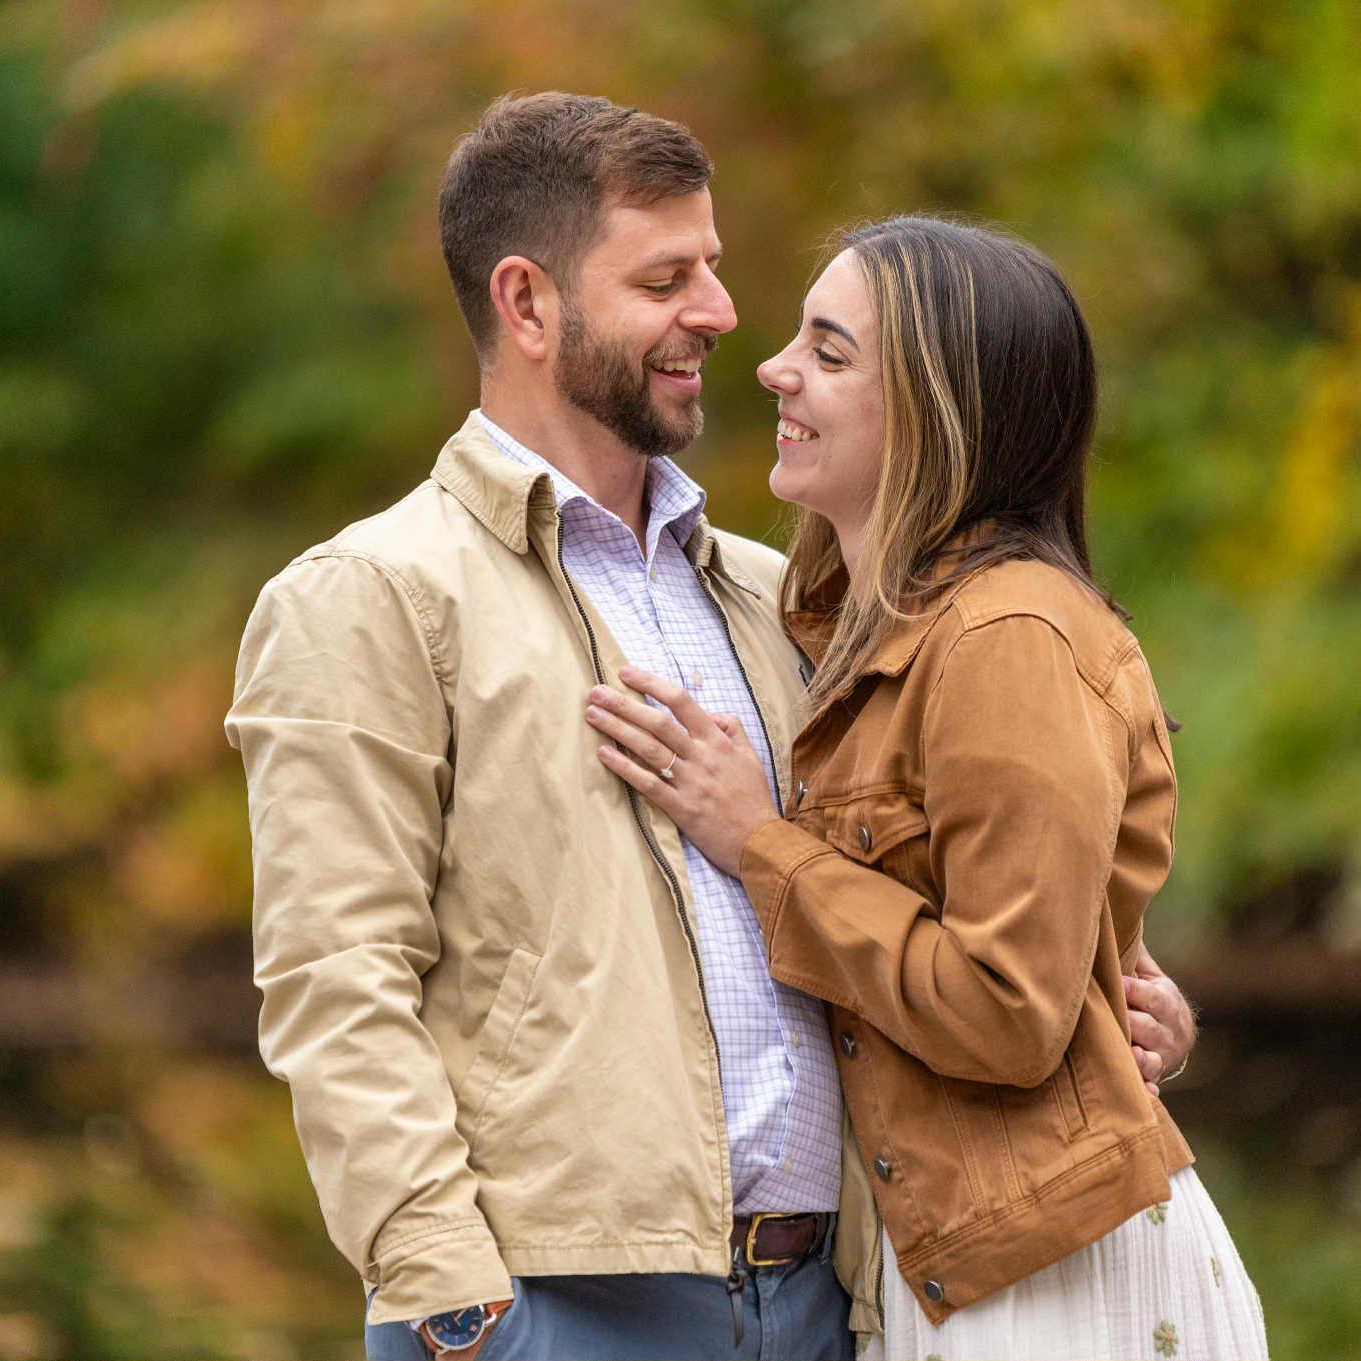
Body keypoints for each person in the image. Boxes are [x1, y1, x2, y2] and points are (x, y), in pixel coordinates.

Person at [226, 92, 1195, 1361]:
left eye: (714, 267)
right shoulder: (372, 597)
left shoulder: (783, 599)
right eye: (665, 279)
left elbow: (937, 913)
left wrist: (1101, 1004)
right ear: (527, 304)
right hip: (558, 1311)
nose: (721, 314)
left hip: (834, 1302)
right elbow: (336, 980)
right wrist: (456, 1308)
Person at [584, 216, 1267, 1360]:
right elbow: (1045, 960)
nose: (772, 368)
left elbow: (1006, 1008)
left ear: (937, 410)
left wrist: (758, 840)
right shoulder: (851, 632)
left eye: (829, 351)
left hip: (1042, 1270)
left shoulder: (1007, 637)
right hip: (944, 1261)